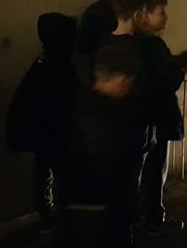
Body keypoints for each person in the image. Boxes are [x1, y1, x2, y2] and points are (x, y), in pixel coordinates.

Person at [52, 45, 147, 248]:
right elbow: (114, 171)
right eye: (129, 82)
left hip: (73, 204)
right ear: (121, 79)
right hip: (101, 212)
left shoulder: (77, 102)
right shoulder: (107, 119)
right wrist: (131, 206)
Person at [6, 13, 80, 234]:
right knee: (64, 178)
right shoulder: (59, 65)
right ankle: (64, 220)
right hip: (57, 133)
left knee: (44, 174)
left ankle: (48, 216)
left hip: (43, 133)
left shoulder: (44, 60)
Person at [134, 0, 187, 236]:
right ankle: (154, 220)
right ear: (144, 16)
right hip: (156, 117)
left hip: (137, 117)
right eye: (161, 12)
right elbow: (165, 82)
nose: (166, 17)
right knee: (154, 170)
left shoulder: (129, 40)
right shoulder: (152, 45)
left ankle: (139, 217)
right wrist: (180, 68)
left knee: (140, 171)